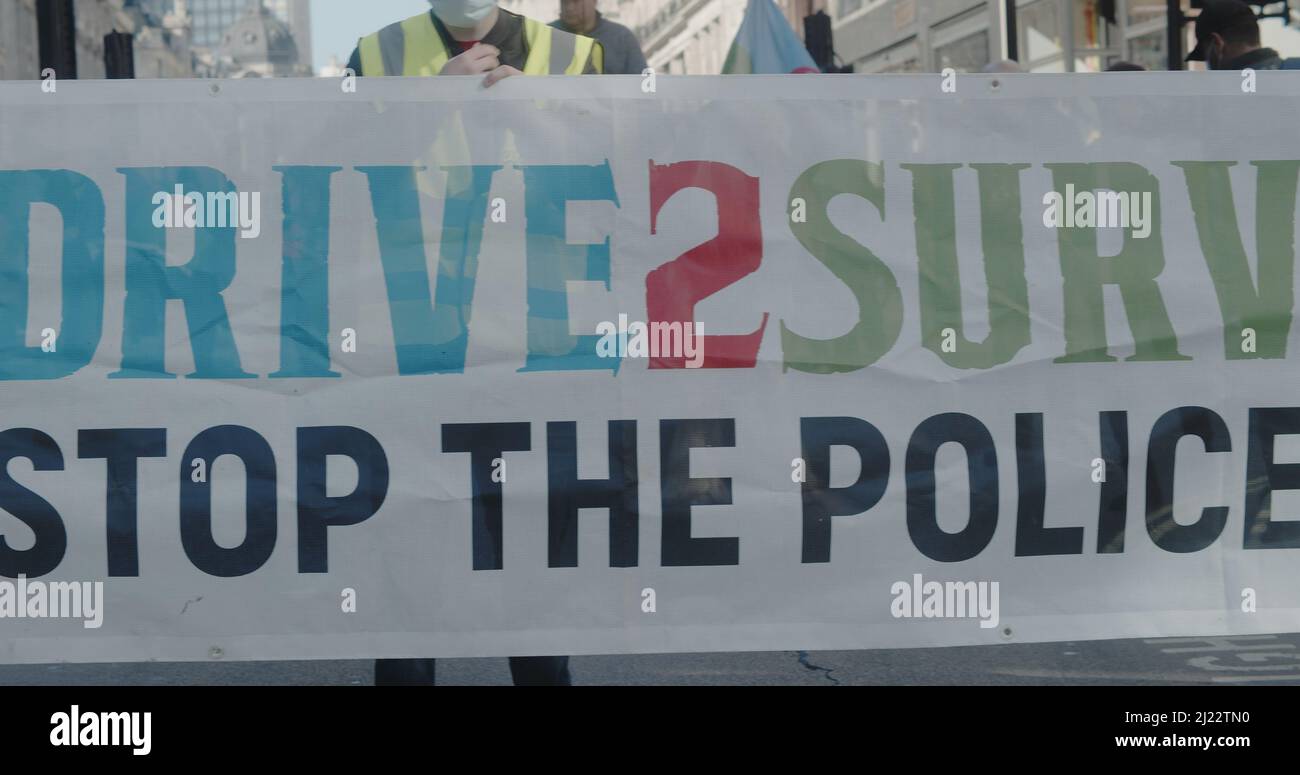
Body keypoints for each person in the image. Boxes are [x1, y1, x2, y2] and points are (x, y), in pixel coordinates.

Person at [349, 0, 596, 685]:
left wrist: (538, 123)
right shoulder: (378, 54)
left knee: (534, 569)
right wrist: (427, 105)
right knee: (408, 570)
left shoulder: (577, 54)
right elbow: (330, 175)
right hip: (411, 345)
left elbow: (630, 173)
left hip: (537, 345)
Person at [347, 0, 604, 84]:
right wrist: (433, 104)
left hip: (533, 210)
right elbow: (348, 160)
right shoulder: (375, 54)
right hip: (421, 212)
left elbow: (600, 159)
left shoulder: (571, 54)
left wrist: (534, 117)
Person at [1185, 0, 1300, 71]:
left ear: (1217, 44)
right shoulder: (1295, 69)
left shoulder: (1220, 99)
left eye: (1206, 57)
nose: (1208, 65)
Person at [550, 0, 647, 75]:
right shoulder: (547, 35)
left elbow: (642, 86)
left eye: (576, 1)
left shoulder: (621, 37)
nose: (569, 8)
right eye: (564, 2)